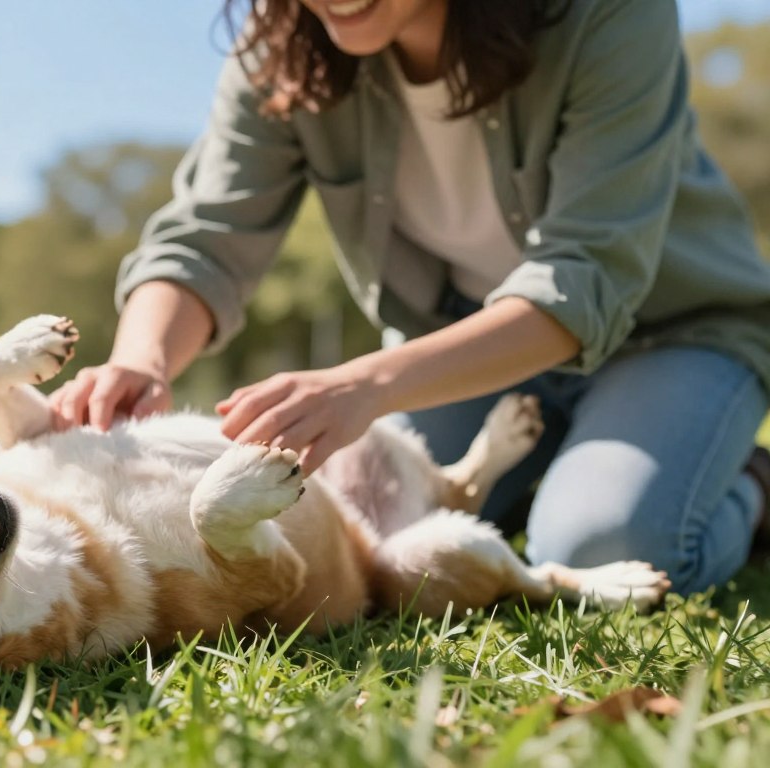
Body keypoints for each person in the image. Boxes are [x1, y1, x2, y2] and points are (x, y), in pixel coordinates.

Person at [49, 0, 770, 595]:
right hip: (459, 339)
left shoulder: (608, 14)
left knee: (600, 541)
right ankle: (550, 467)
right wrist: (143, 357)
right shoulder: (281, 43)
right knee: (368, 518)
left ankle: (751, 487)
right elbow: (208, 236)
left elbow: (588, 279)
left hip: (674, 335)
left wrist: (363, 384)